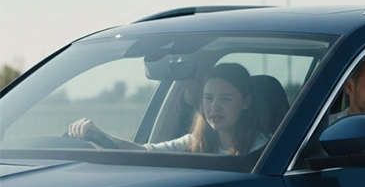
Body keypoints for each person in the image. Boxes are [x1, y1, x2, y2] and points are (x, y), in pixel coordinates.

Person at [67, 63, 269, 155]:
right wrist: (98, 134)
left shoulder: (261, 149)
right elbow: (144, 152)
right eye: (208, 98)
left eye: (225, 99)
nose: (214, 107)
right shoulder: (195, 143)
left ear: (246, 102)